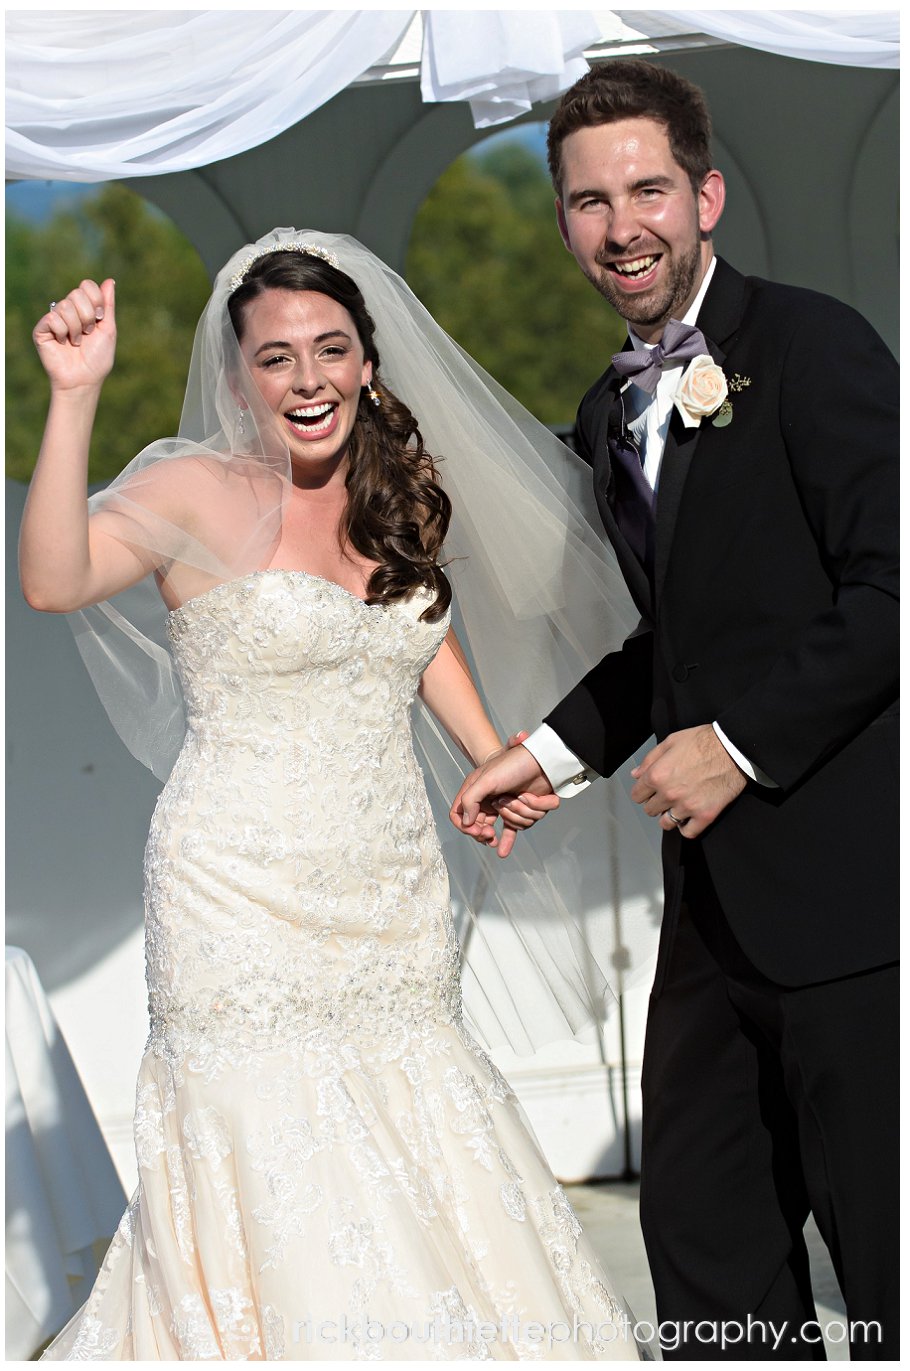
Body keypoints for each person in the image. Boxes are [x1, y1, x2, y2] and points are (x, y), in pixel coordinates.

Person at [18, 229, 655, 1359]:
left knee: (417, 1117)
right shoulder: (190, 491)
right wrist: (73, 398)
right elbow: (54, 579)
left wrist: (490, 761)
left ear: (367, 363)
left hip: (388, 885)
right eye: (275, 358)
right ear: (236, 379)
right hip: (237, 892)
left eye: (330, 350)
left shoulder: (391, 496)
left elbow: (416, 637)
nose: (307, 379)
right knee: (266, 1138)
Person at [454, 60, 898, 1358]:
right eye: (588, 200)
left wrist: (740, 748)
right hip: (708, 914)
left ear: (703, 194)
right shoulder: (606, 412)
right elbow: (669, 648)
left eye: (646, 187)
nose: (620, 224)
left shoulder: (812, 347)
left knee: (884, 1247)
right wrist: (536, 755)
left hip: (861, 898)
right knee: (704, 1244)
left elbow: (893, 585)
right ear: (561, 223)